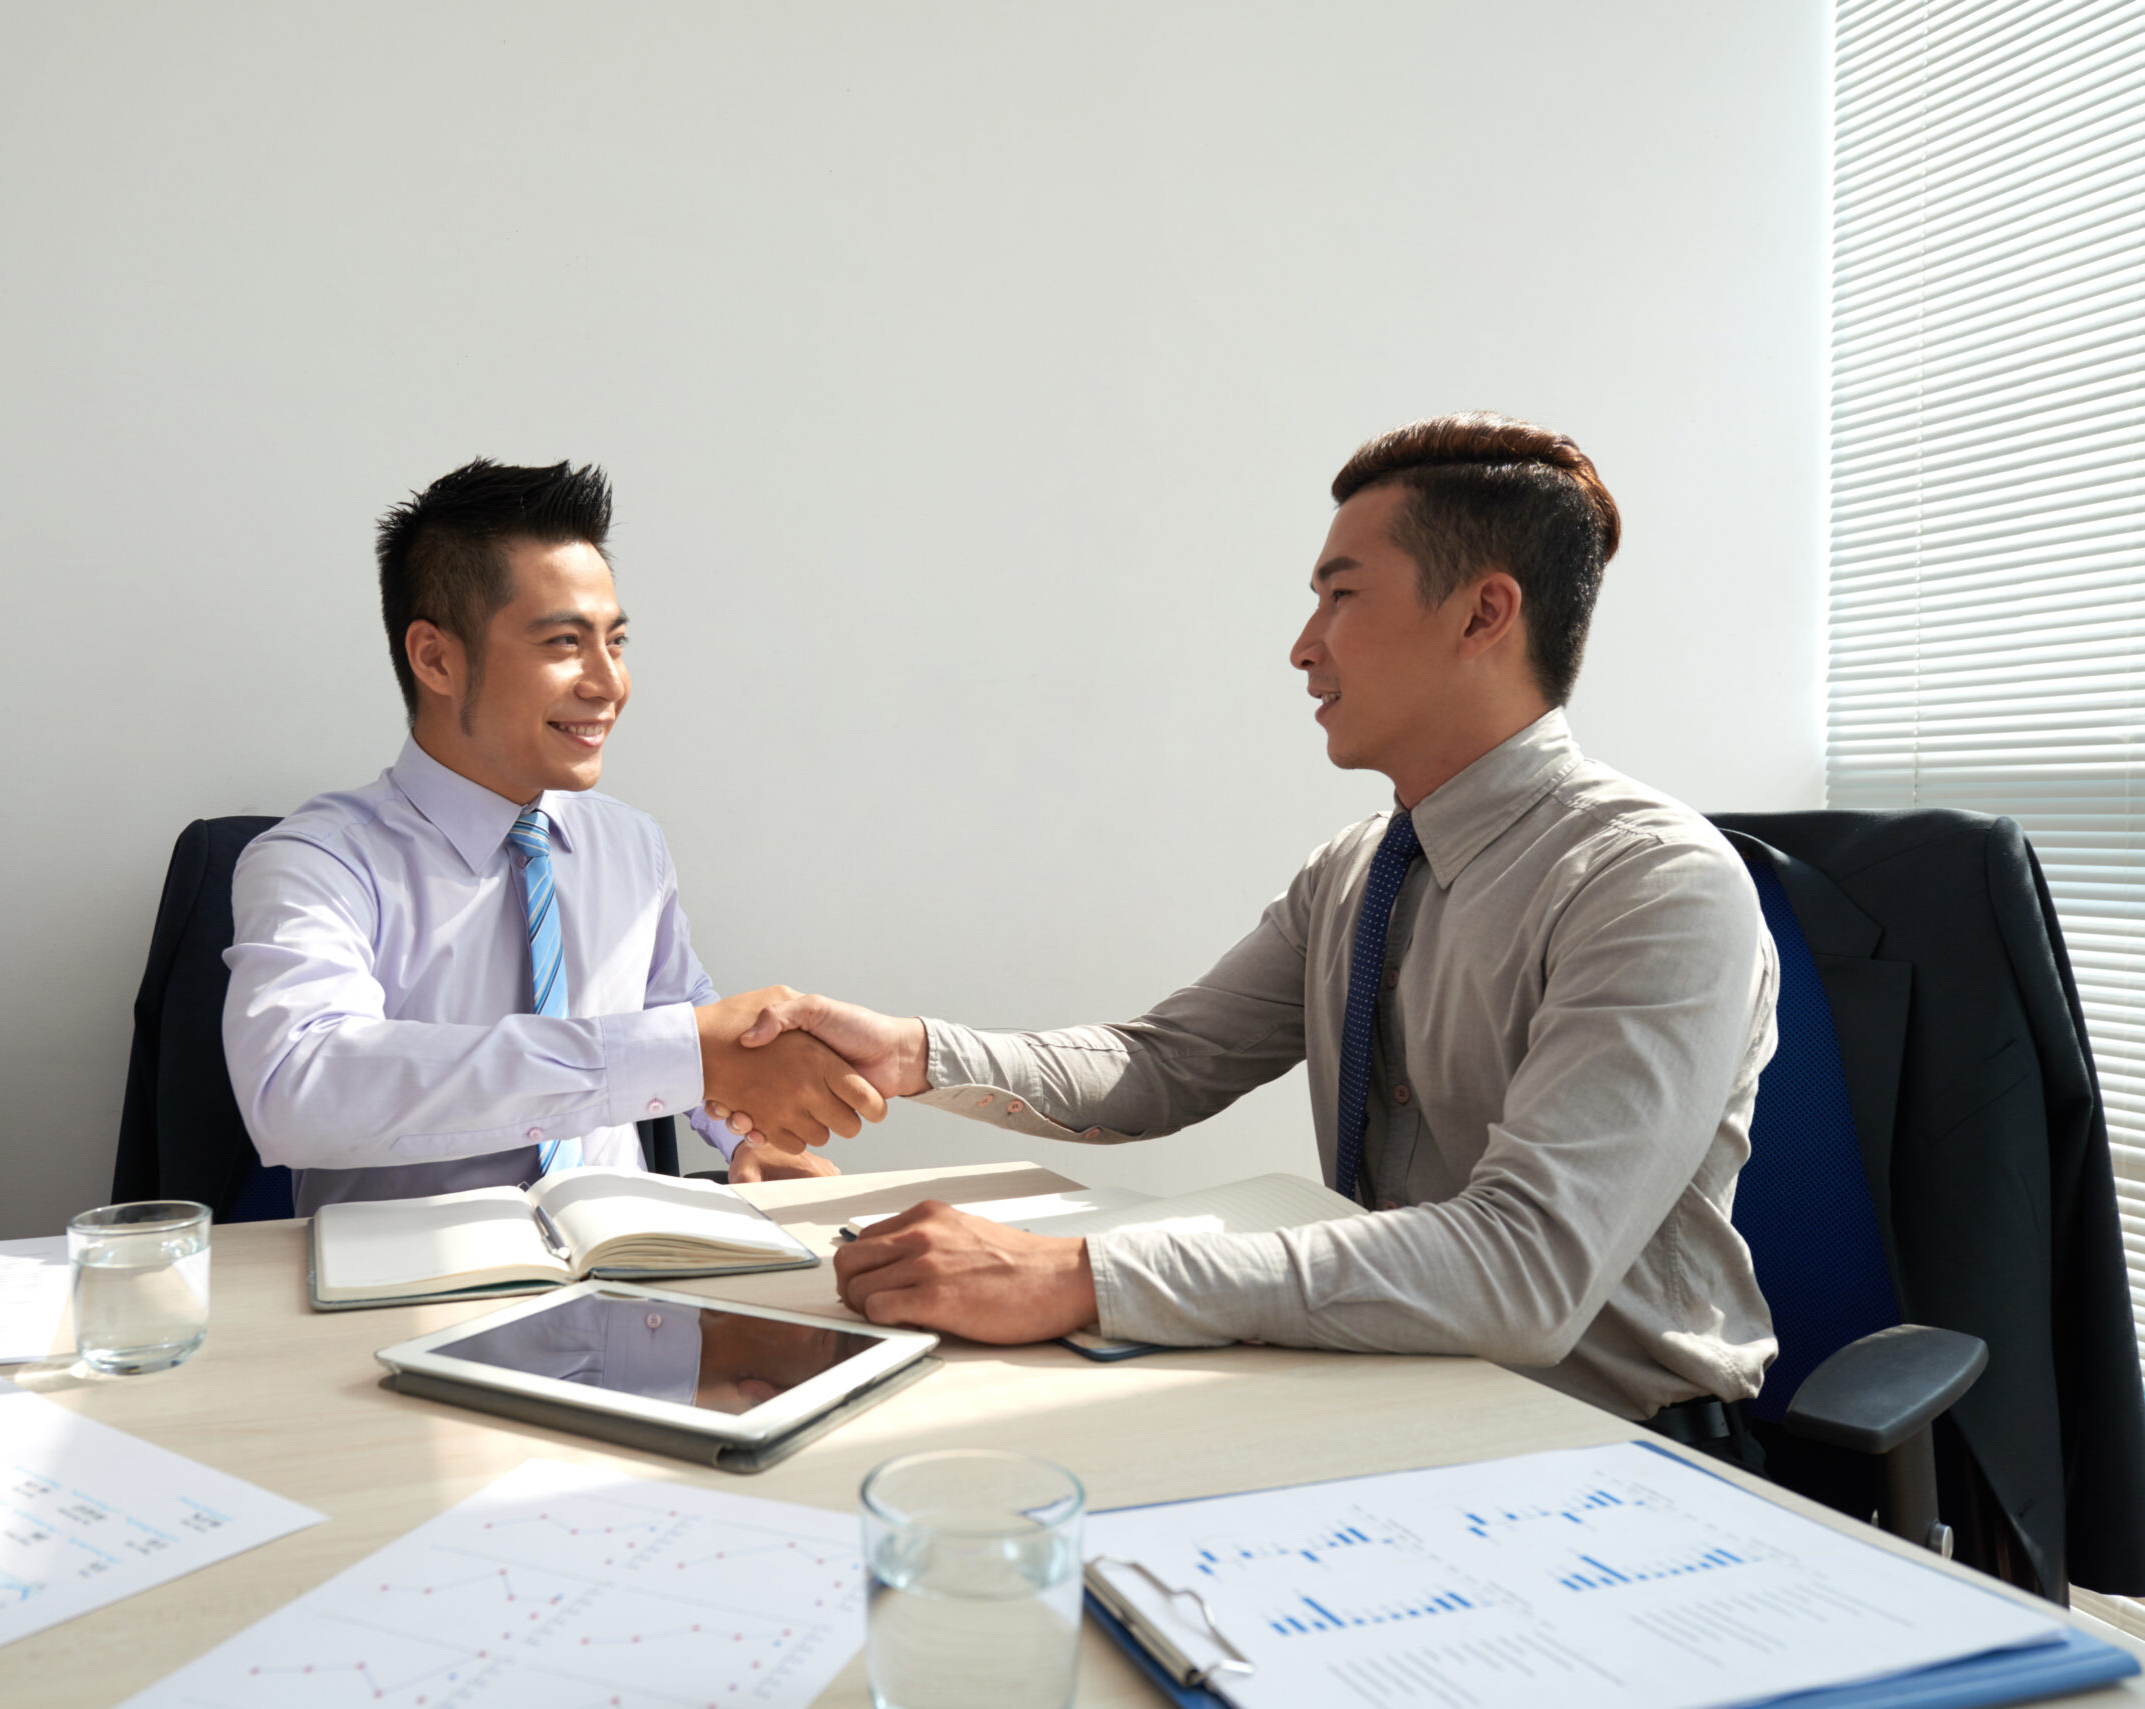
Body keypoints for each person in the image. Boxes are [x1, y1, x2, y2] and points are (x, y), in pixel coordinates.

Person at [710, 414, 1781, 1448]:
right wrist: (910, 1052)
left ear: (1481, 614)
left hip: (1608, 1444)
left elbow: (1523, 1268)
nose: (1303, 647)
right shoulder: (1357, 869)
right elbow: (1160, 1065)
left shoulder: (1653, 884)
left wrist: (1077, 1275)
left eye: (1340, 596)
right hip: (1383, 1394)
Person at [223, 457, 881, 1214]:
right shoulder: (315, 862)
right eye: (565, 643)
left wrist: (741, 1131)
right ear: (435, 657)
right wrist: (675, 1055)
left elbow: (683, 1016)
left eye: (617, 641)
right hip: (406, 1294)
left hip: (631, 1270)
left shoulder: (631, 844)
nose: (609, 683)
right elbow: (298, 1088)